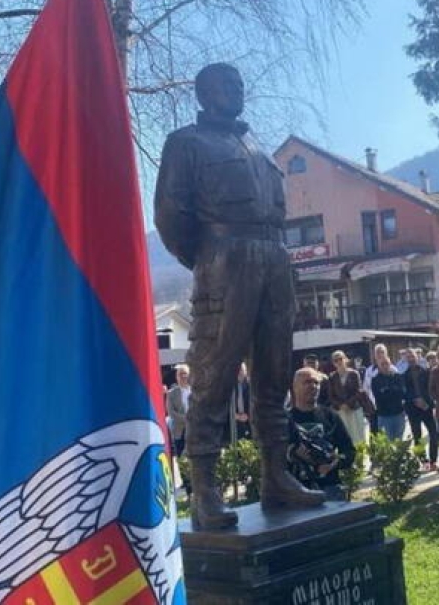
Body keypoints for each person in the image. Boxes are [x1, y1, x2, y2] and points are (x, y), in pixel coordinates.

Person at [155, 62, 324, 528]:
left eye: (239, 84)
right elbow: (171, 216)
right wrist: (210, 258)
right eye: (226, 85)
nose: (236, 90)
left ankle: (277, 476)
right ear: (203, 94)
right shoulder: (186, 143)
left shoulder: (255, 147)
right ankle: (206, 490)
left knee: (273, 374)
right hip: (224, 259)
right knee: (212, 374)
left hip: (274, 258)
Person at [288, 368, 356, 501]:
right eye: (307, 382)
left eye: (316, 382)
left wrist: (335, 463)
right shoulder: (285, 420)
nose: (313, 386)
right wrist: (292, 454)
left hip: (330, 488)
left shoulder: (331, 416)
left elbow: (349, 452)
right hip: (296, 490)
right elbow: (271, 460)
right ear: (294, 387)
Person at [402, 348, 438, 469]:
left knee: (434, 433)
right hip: (413, 408)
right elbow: (404, 392)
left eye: (412, 356)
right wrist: (415, 399)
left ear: (417, 357)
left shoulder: (426, 372)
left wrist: (427, 402)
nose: (411, 358)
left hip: (426, 407)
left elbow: (431, 388)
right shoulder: (404, 375)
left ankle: (433, 461)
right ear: (406, 359)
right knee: (417, 435)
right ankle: (424, 461)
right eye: (408, 357)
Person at [327, 350, 368, 446]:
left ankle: (361, 459)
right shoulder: (332, 377)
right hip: (341, 411)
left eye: (340, 359)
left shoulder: (354, 373)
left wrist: (348, 404)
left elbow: (358, 392)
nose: (338, 362)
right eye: (335, 360)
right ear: (333, 363)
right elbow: (331, 396)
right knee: (345, 437)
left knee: (358, 437)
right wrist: (340, 405)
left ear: (345, 359)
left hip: (354, 409)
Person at [371, 356, 407, 441]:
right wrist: (393, 390)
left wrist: (386, 390)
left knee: (399, 442)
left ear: (390, 364)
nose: (384, 366)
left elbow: (402, 393)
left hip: (399, 414)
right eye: (382, 364)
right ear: (378, 366)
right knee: (387, 444)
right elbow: (379, 397)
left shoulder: (398, 377)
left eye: (386, 363)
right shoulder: (375, 380)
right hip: (384, 416)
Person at [166, 365, 191, 456]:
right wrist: (187, 419)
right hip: (179, 431)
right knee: (181, 459)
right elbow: (171, 413)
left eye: (185, 374)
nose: (183, 376)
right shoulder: (171, 394)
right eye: (180, 374)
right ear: (177, 377)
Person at [228, 362, 251, 442]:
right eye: (238, 370)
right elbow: (224, 405)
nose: (240, 372)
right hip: (233, 424)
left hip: (249, 424)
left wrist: (248, 416)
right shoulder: (230, 387)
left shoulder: (251, 386)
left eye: (242, 370)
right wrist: (235, 416)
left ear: (246, 371)